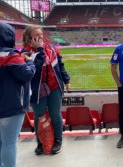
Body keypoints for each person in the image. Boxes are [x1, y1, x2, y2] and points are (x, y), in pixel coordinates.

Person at [22, 26, 71, 155]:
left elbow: (60, 66)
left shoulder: (52, 49)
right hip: (37, 89)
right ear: (29, 37)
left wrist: (66, 80)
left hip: (54, 86)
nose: (40, 37)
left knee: (55, 114)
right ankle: (40, 143)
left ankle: (58, 141)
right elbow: (35, 68)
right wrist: (38, 49)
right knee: (40, 116)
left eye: (41, 34)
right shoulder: (26, 52)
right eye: (36, 35)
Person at [0, 22, 36, 167]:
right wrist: (29, 62)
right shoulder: (10, 55)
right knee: (9, 142)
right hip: (11, 106)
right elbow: (26, 74)